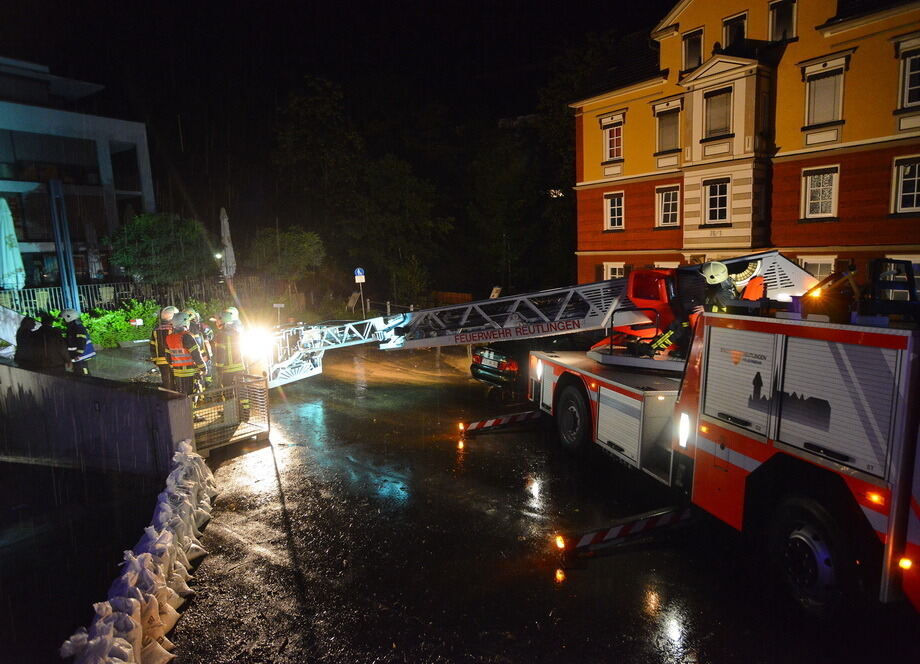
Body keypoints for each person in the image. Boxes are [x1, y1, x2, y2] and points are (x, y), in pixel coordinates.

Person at [165, 312, 207, 397]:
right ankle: (191, 409)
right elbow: (196, 355)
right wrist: (203, 368)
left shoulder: (169, 338)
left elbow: (168, 357)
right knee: (191, 395)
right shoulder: (187, 337)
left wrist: (175, 367)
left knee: (181, 395)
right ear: (185, 322)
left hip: (177, 373)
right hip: (190, 373)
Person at [212, 310, 246, 387]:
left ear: (222, 322)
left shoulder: (220, 335)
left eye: (217, 321)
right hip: (240, 367)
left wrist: (218, 368)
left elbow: (220, 353)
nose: (216, 323)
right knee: (242, 390)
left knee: (228, 392)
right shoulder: (237, 333)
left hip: (227, 369)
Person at [150, 306, 179, 390]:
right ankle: (179, 397)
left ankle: (169, 395)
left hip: (161, 360)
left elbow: (152, 345)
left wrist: (155, 359)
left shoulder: (156, 330)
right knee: (178, 380)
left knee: (167, 381)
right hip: (174, 359)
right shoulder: (174, 330)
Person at [61, 308, 95, 375]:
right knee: (78, 371)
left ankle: (87, 382)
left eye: (63, 319)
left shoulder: (77, 328)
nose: (63, 321)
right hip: (76, 356)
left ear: (68, 317)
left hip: (79, 356)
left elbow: (81, 341)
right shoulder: (73, 327)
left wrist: (78, 354)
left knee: (83, 372)